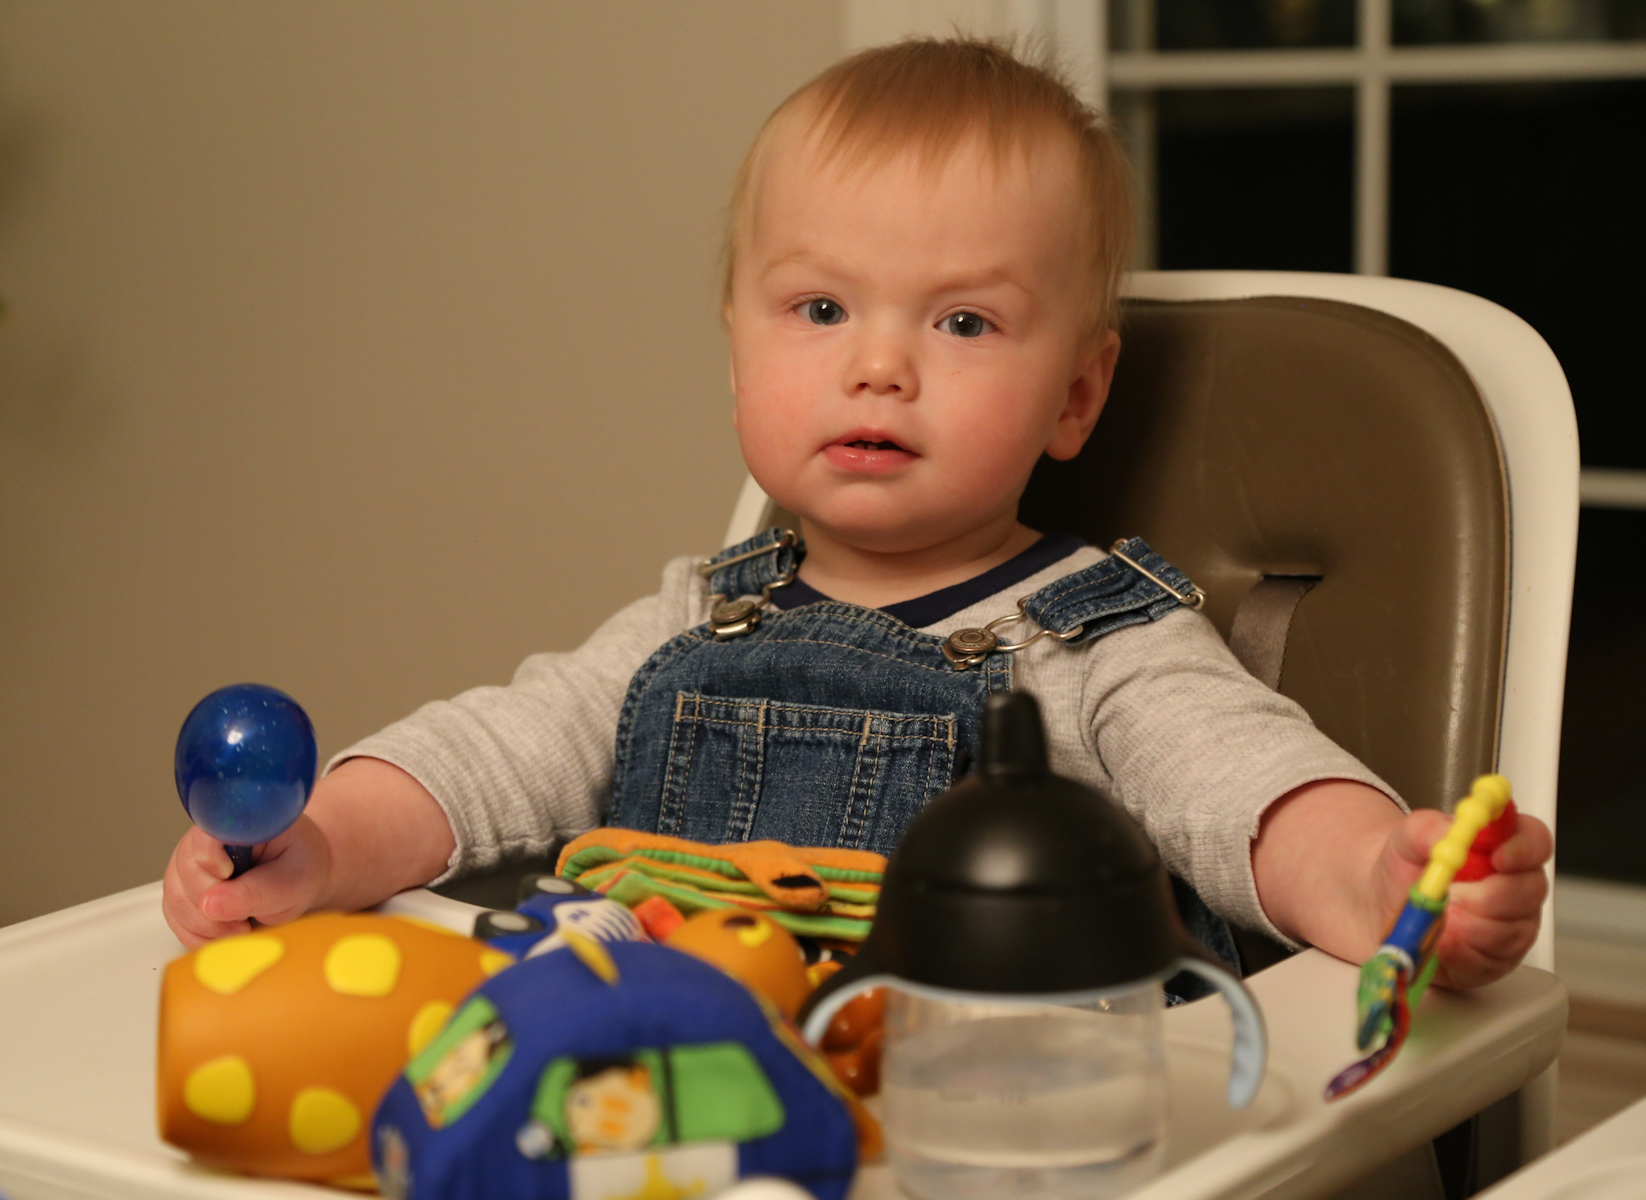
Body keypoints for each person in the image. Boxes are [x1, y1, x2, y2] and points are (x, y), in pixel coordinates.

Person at [162, 39, 1551, 996]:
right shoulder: (700, 615)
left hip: (979, 1137)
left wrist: (1380, 882)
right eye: (821, 308)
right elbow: (491, 756)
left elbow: (1242, 786)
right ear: (735, 354)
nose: (879, 365)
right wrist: (320, 846)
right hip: (682, 1125)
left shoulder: (1093, 639)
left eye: (964, 322)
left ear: (1077, 396)